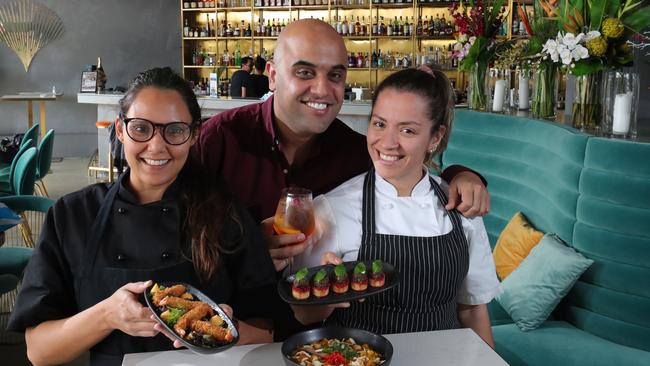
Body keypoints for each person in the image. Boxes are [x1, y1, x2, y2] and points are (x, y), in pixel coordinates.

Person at [196, 19, 490, 340]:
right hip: (232, 322)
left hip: (312, 337)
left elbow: (406, 176)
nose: (322, 89)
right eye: (305, 72)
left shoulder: (355, 153)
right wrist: (250, 245)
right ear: (273, 75)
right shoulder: (222, 139)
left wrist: (459, 175)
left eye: (335, 75)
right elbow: (175, 222)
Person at [7, 67, 277, 366]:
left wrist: (227, 328)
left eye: (174, 130)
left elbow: (267, 331)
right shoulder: (72, 215)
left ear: (193, 135)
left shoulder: (225, 213)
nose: (157, 145)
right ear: (121, 130)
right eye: (141, 128)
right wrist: (107, 315)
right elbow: (39, 351)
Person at [291, 68, 500, 347]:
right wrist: (330, 296)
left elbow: (472, 309)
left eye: (407, 130)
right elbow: (303, 315)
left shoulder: (461, 206)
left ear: (435, 138)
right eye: (379, 124)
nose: (387, 142)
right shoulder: (331, 208)